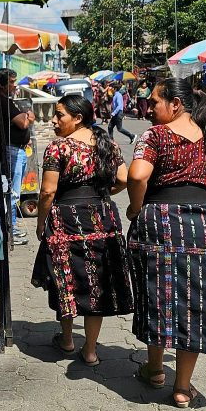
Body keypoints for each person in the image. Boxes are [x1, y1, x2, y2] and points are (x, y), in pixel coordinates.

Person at [126, 78, 206, 408]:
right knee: (197, 300)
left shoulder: (155, 135)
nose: (149, 108)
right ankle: (182, 388)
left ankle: (155, 368)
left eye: (155, 102)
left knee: (157, 291)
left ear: (175, 104)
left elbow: (136, 176)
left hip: (160, 219)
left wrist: (136, 207)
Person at [31, 95, 132, 365]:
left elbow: (48, 191)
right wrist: (101, 192)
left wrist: (41, 223)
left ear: (78, 118)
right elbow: (124, 178)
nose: (53, 120)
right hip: (102, 217)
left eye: (59, 114)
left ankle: (66, 340)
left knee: (66, 278)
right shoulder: (107, 143)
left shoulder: (58, 148)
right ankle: (90, 350)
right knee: (95, 282)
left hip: (66, 219)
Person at [0, 68, 35, 246]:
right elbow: (23, 122)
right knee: (13, 191)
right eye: (11, 82)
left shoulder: (7, 101)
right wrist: (29, 117)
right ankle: (11, 227)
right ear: (2, 84)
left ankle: (11, 226)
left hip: (16, 149)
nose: (14, 85)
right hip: (12, 150)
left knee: (13, 189)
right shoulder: (4, 101)